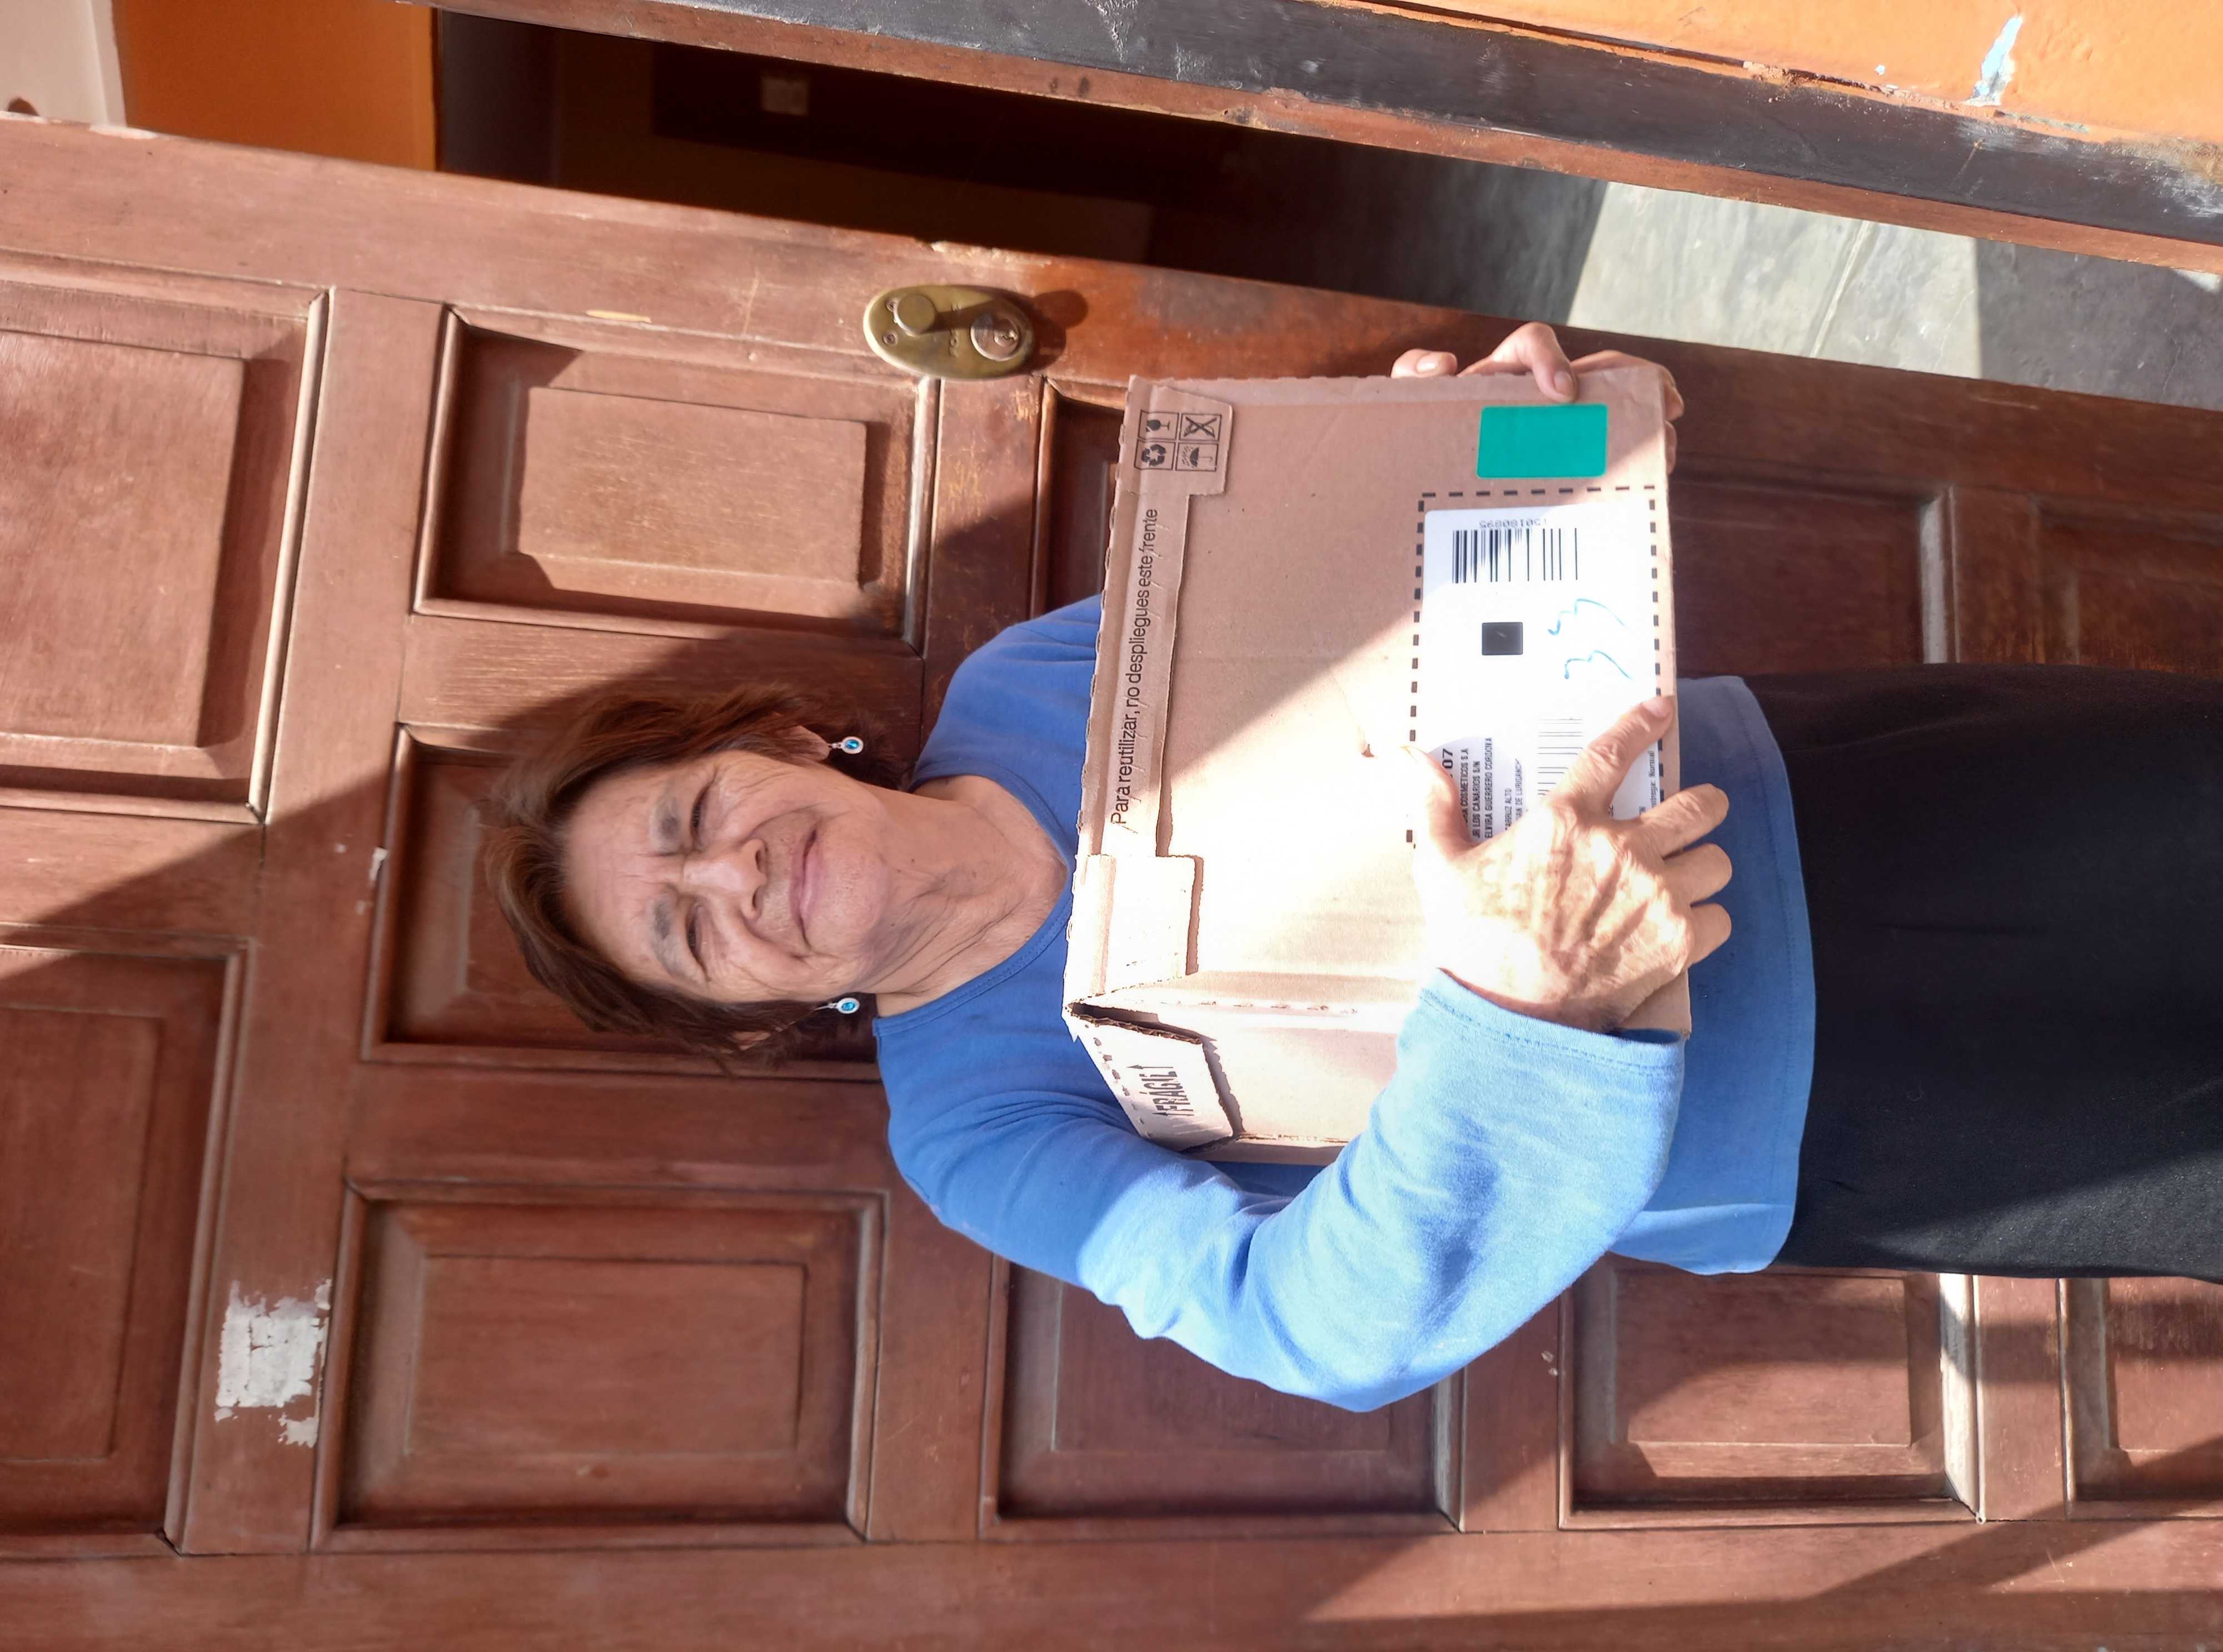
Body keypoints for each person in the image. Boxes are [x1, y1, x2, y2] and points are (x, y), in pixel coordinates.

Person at [486, 324, 2223, 1413]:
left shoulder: (1026, 681)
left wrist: (1525, 432)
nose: (735, 881)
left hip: (1838, 792)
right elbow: (1311, 1329)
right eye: (688, 937)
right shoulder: (974, 1129)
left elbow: (1439, 562)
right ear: (753, 1014)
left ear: (780, 739)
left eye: (691, 819)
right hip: (1839, 1118)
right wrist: (1516, 1010)